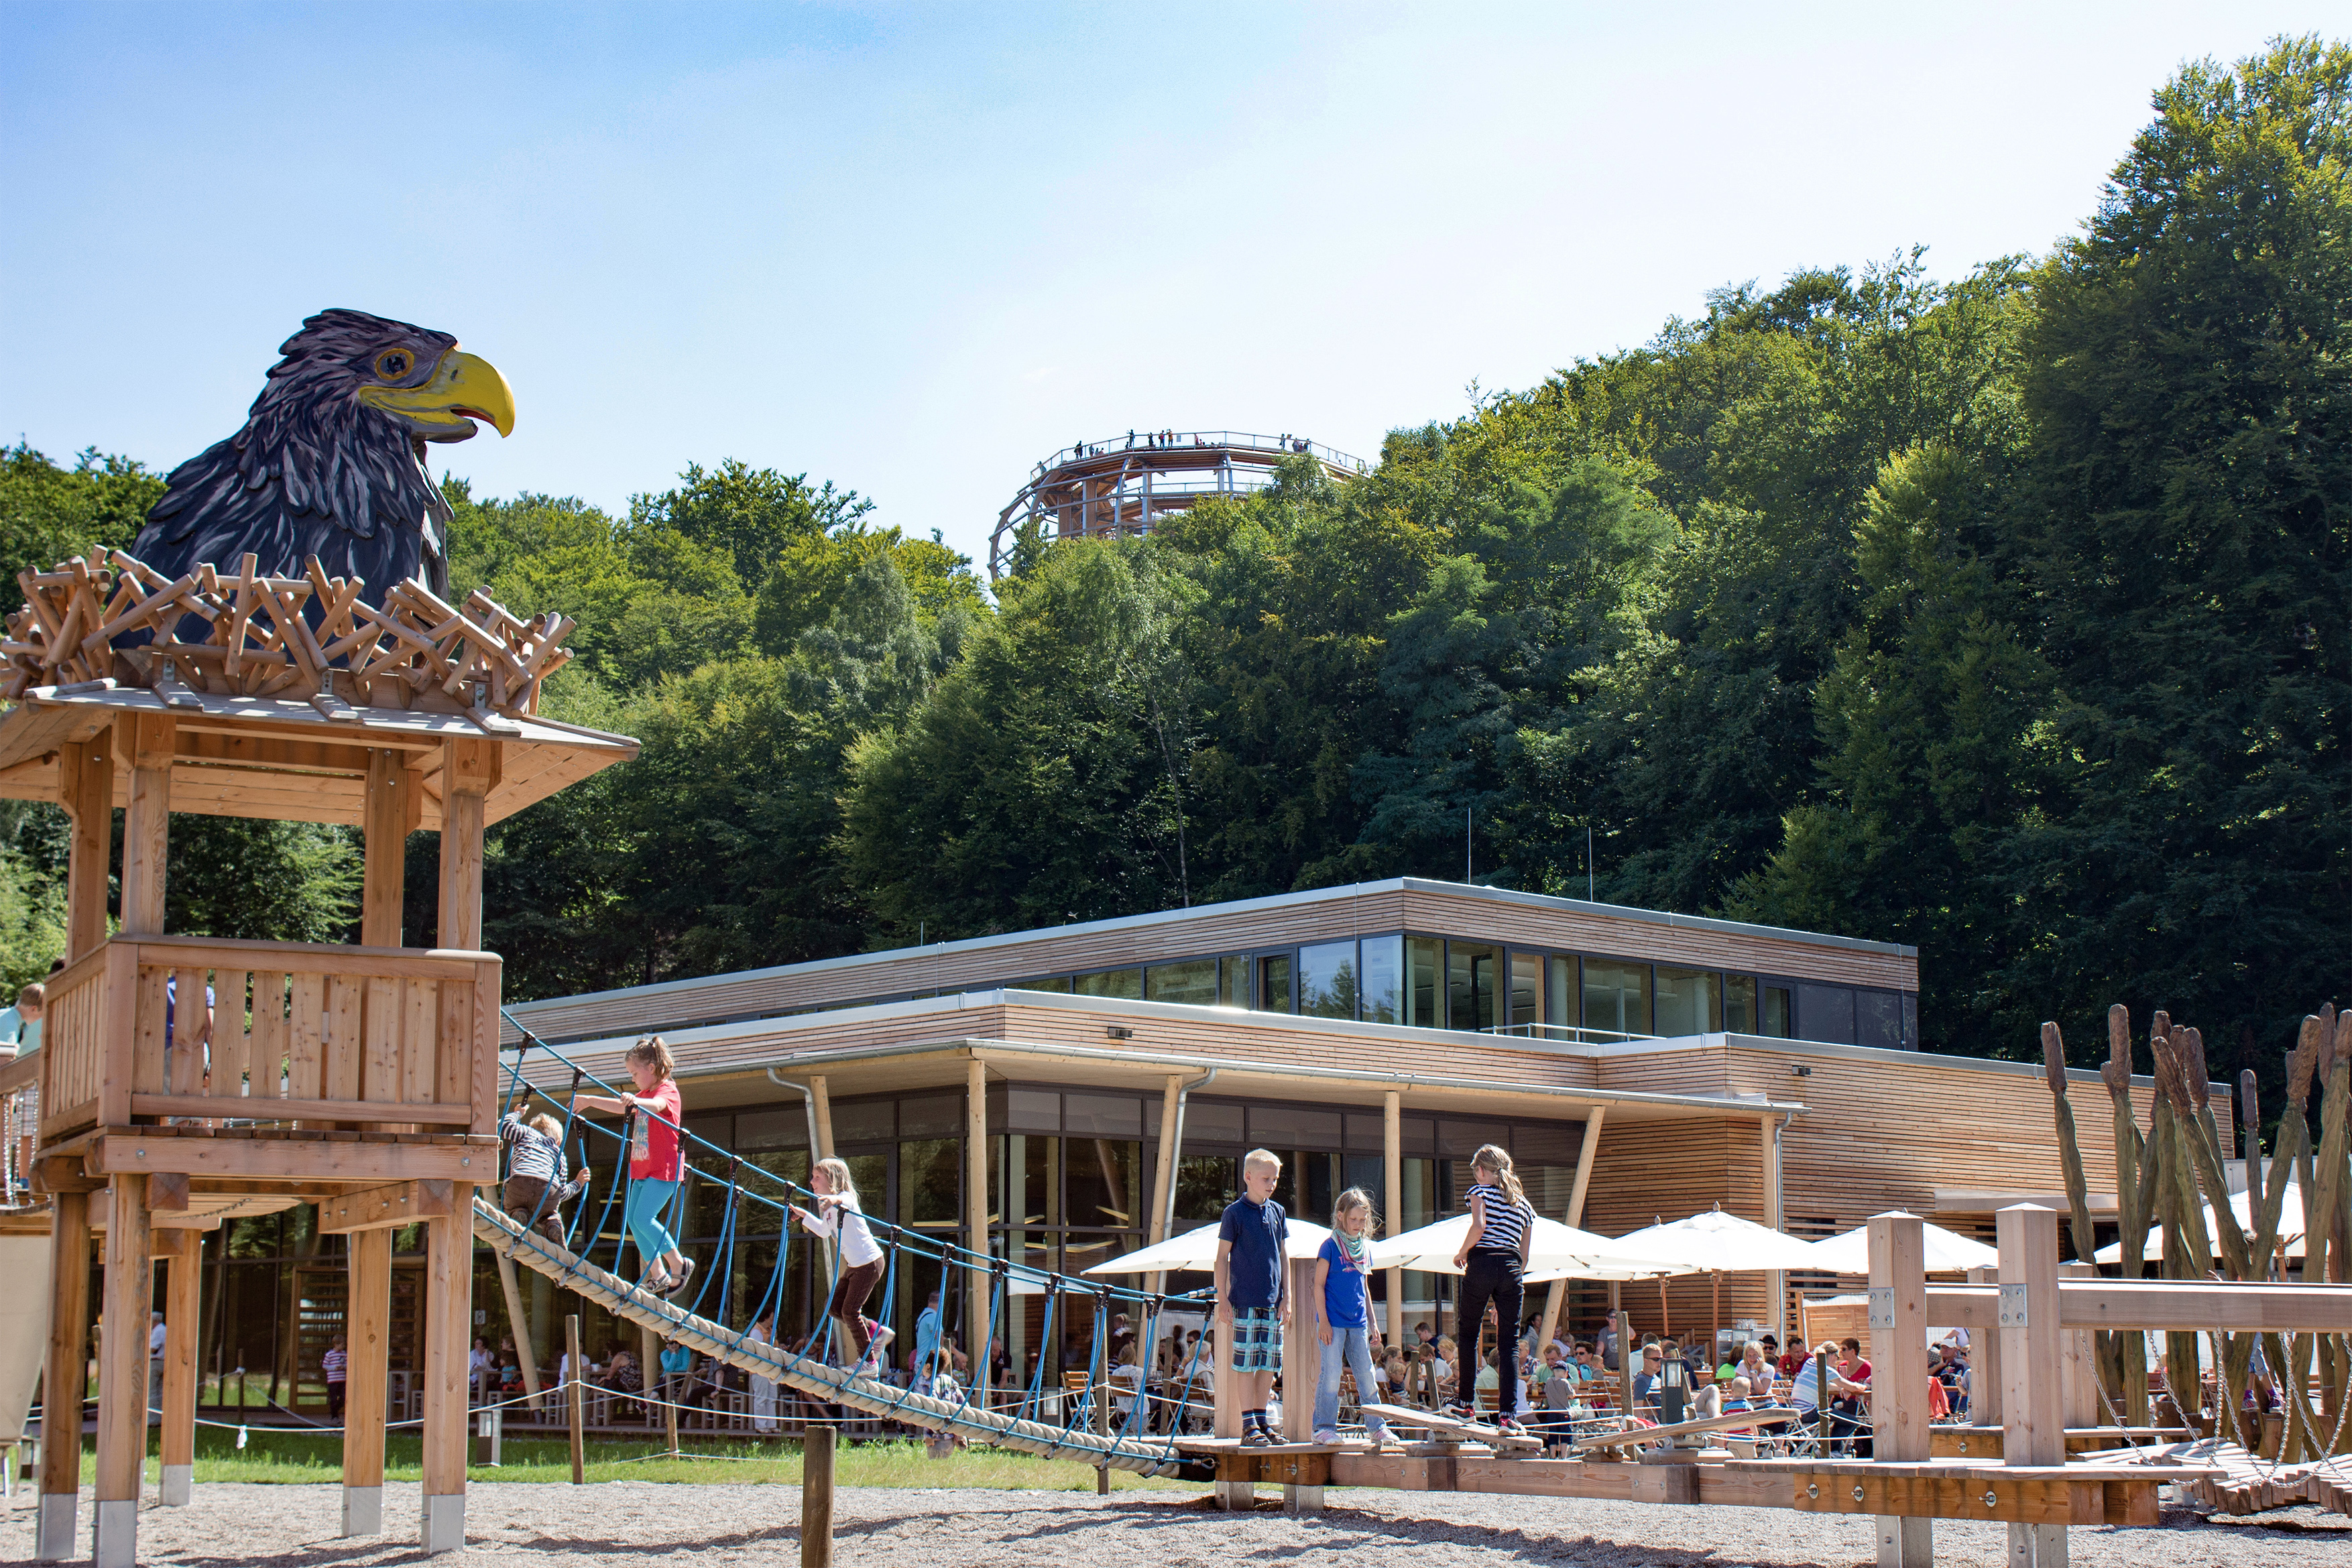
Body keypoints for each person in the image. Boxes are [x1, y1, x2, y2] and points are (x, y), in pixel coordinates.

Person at [573, 1037, 691, 1294]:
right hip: (645, 1169)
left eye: (634, 1073)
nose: (633, 1079)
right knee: (634, 1221)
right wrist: (590, 1100)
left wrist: (636, 1102)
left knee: (643, 1218)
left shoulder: (666, 1091)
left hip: (664, 1169)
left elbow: (658, 1107)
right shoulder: (645, 1093)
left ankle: (679, 1264)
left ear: (651, 1068)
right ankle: (658, 1272)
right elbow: (621, 1106)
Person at [1448, 1144, 1533, 1434]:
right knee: (1509, 1342)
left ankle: (1465, 1403)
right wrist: (1506, 1290)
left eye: (1476, 1171)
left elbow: (1479, 1226)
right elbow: (1525, 1253)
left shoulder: (1480, 1192)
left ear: (1481, 1171)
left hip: (1483, 1262)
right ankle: (1508, 1415)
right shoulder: (1523, 1204)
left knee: (1469, 1333)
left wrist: (1462, 1252)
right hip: (1511, 1268)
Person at [1214, 1147, 1289, 1447]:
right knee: (1246, 1363)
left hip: (1273, 1302)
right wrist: (1223, 1298)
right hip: (1243, 1300)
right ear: (1248, 1177)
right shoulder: (1234, 1213)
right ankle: (1248, 1424)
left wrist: (1289, 1297)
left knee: (1269, 1363)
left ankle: (1262, 1421)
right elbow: (1221, 1258)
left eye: (1275, 1179)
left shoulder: (1278, 1212)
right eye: (1265, 1178)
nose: (1271, 1184)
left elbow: (1284, 1256)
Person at [792, 1156, 894, 1373]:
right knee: (834, 1307)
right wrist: (804, 1215)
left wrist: (835, 1200)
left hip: (869, 1263)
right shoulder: (829, 1210)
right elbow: (822, 1231)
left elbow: (846, 1201)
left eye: (817, 1177)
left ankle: (869, 1362)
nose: (812, 1182)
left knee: (850, 1310)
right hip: (856, 1266)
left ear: (833, 1180)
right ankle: (875, 1330)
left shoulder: (845, 1199)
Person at [1310, 1185, 1391, 1448]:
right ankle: (1323, 1428)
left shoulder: (1364, 1248)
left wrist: (1374, 1320)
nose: (1357, 1225)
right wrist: (1323, 1320)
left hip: (1358, 1323)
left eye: (1362, 1220)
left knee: (1367, 1374)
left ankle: (1377, 1427)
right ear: (1341, 1216)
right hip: (1332, 1322)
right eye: (1353, 1219)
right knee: (1332, 1375)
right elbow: (1318, 1285)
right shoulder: (1330, 1247)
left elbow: (1363, 1287)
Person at [498, 1095, 589, 1244]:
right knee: (550, 1214)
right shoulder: (560, 1155)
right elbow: (561, 1193)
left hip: (520, 1182)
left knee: (513, 1205)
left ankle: (518, 1214)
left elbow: (502, 1127)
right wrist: (578, 1183)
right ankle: (552, 1226)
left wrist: (518, 1114)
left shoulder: (526, 1133)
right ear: (559, 1142)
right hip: (548, 1189)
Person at [747, 1315, 779, 1433]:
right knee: (761, 1397)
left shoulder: (769, 1330)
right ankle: (760, 1425)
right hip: (759, 1369)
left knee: (772, 1397)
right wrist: (771, 1337)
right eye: (771, 1317)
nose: (773, 1319)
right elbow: (759, 1350)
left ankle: (771, 1424)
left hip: (770, 1368)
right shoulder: (756, 1331)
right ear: (765, 1317)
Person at [0, 982, 44, 1056]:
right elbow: (4, 1062)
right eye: (42, 1014)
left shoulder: (4, 1013)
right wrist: (14, 1051)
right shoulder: (11, 1026)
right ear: (34, 1009)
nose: (41, 1018)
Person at [914, 1290, 943, 1377]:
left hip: (921, 1362)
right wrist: (958, 1354)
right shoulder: (932, 1317)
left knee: (920, 1391)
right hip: (928, 1363)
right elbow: (941, 1340)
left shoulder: (923, 1316)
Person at [323, 1333, 348, 1419]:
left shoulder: (345, 1354)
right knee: (333, 1399)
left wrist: (344, 1367)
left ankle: (335, 1409)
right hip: (333, 1381)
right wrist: (334, 1368)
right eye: (342, 1344)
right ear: (336, 1344)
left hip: (342, 1380)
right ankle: (334, 1416)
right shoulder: (329, 1355)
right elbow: (325, 1366)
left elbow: (348, 1364)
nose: (343, 1346)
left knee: (344, 1397)